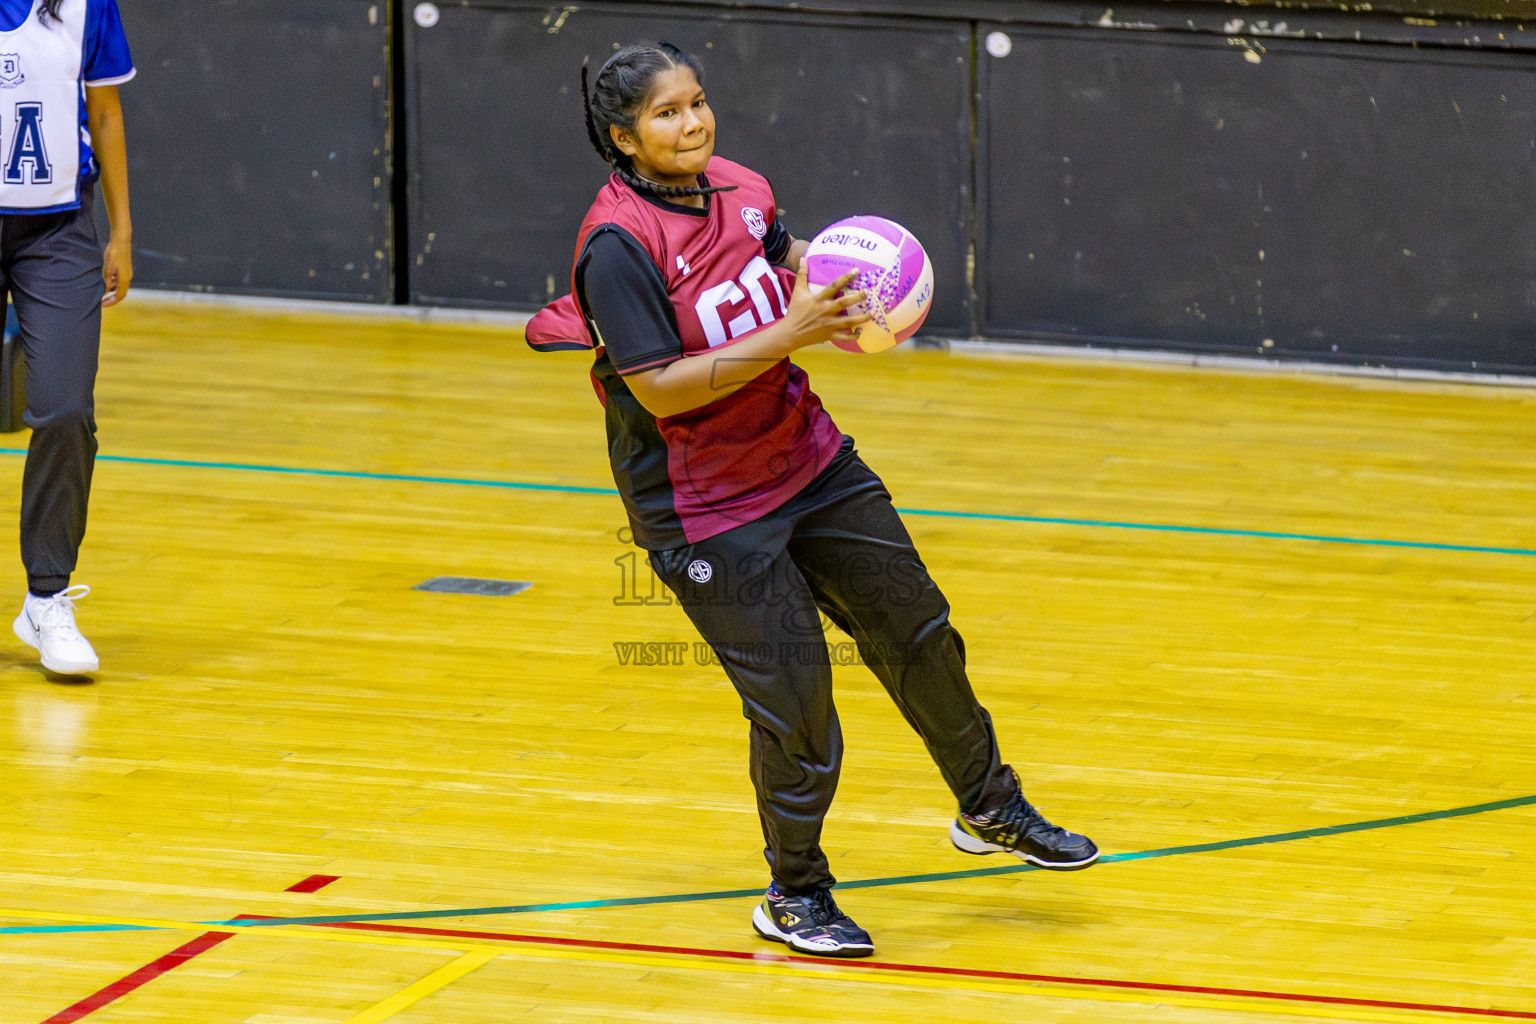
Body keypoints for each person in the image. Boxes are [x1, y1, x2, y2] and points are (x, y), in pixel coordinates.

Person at [527, 42, 1098, 959]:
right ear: (622, 138)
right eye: (668, 114)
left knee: (921, 634)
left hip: (809, 460)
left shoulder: (742, 187)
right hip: (705, 507)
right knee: (799, 706)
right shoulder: (617, 246)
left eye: (700, 103)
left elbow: (783, 253)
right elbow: (664, 388)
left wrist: (862, 290)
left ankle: (989, 807)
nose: (694, 124)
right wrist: (790, 329)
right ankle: (795, 896)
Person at [0, 0, 134, 676]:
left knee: (64, 409)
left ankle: (46, 597)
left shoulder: (85, 6)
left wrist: (122, 231)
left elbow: (104, 112)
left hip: (56, 233)